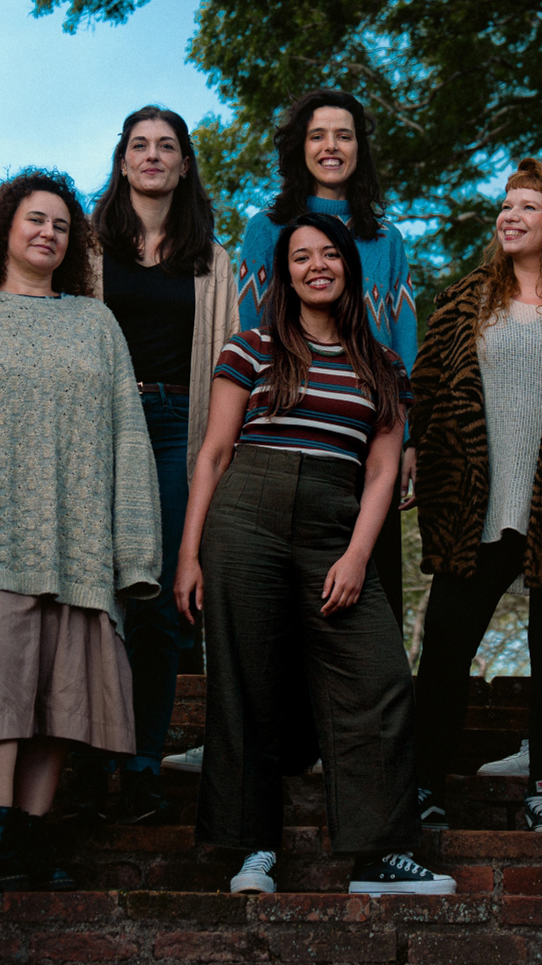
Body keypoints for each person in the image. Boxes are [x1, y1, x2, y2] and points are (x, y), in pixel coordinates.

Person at [0, 169, 161, 894]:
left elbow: (129, 438)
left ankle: (31, 840)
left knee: (60, 691)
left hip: (76, 541)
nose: (48, 233)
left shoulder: (95, 323)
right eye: (35, 220)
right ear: (4, 229)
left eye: (61, 226)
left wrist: (134, 549)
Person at [176, 212, 453, 896]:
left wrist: (359, 555)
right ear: (284, 271)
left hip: (336, 518)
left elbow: (384, 472)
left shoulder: (382, 364)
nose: (316, 266)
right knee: (248, 681)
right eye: (301, 257)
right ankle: (252, 851)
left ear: (350, 268)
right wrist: (189, 554)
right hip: (247, 513)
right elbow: (213, 454)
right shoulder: (251, 347)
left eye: (329, 254)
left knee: (379, 676)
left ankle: (380, 856)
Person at [164, 88, 416, 776]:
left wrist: (406, 438)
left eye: (344, 135)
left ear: (360, 150)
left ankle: (347, 751)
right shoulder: (263, 229)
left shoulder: (387, 239)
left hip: (363, 443)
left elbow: (398, 340)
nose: (331, 146)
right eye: (317, 135)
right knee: (263, 607)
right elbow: (254, 328)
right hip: (277, 442)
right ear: (298, 149)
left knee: (358, 595)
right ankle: (252, 747)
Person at [410, 158, 542, 833]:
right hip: (475, 510)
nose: (509, 217)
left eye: (527, 207)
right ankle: (422, 785)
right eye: (506, 206)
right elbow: (427, 391)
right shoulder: (466, 300)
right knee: (444, 650)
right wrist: (414, 455)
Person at [85, 105, 240, 823]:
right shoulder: (85, 251)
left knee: (159, 601)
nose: (152, 156)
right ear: (122, 162)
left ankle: (142, 763)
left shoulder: (213, 261)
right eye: (139, 145)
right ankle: (90, 759)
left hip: (182, 425)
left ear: (184, 165)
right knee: (95, 593)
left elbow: (233, 365)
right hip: (100, 427)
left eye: (166, 146)